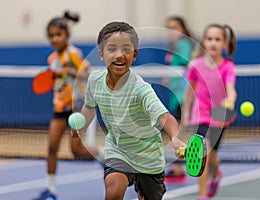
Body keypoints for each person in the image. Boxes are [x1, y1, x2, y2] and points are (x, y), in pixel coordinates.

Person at [71, 21, 186, 200]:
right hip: (118, 151)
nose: (119, 55)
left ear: (134, 55)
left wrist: (175, 137)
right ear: (101, 54)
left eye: (126, 49)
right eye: (112, 49)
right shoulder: (94, 81)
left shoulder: (141, 89)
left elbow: (164, 117)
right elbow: (89, 106)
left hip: (148, 157)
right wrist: (82, 124)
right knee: (113, 191)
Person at [33, 11, 97, 200]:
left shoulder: (73, 53)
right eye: (51, 36)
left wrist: (70, 70)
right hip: (59, 108)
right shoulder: (51, 59)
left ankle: (105, 154)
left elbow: (87, 74)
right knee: (51, 148)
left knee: (76, 151)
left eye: (58, 34)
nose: (54, 38)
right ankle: (51, 191)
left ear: (67, 35)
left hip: (75, 107)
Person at [182, 23, 237, 200]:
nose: (213, 43)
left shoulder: (228, 67)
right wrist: (185, 112)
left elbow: (231, 89)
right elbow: (189, 89)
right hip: (200, 115)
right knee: (202, 152)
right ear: (204, 42)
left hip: (220, 116)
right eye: (210, 38)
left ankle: (216, 173)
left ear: (225, 45)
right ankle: (203, 195)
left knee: (212, 156)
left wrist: (230, 100)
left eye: (218, 39)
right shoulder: (196, 65)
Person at [163, 16, 194, 184]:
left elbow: (186, 66)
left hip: (184, 95)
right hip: (175, 94)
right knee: (181, 130)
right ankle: (179, 166)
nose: (171, 31)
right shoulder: (174, 47)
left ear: (183, 28)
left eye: (174, 27)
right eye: (169, 27)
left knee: (181, 130)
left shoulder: (184, 45)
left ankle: (179, 167)